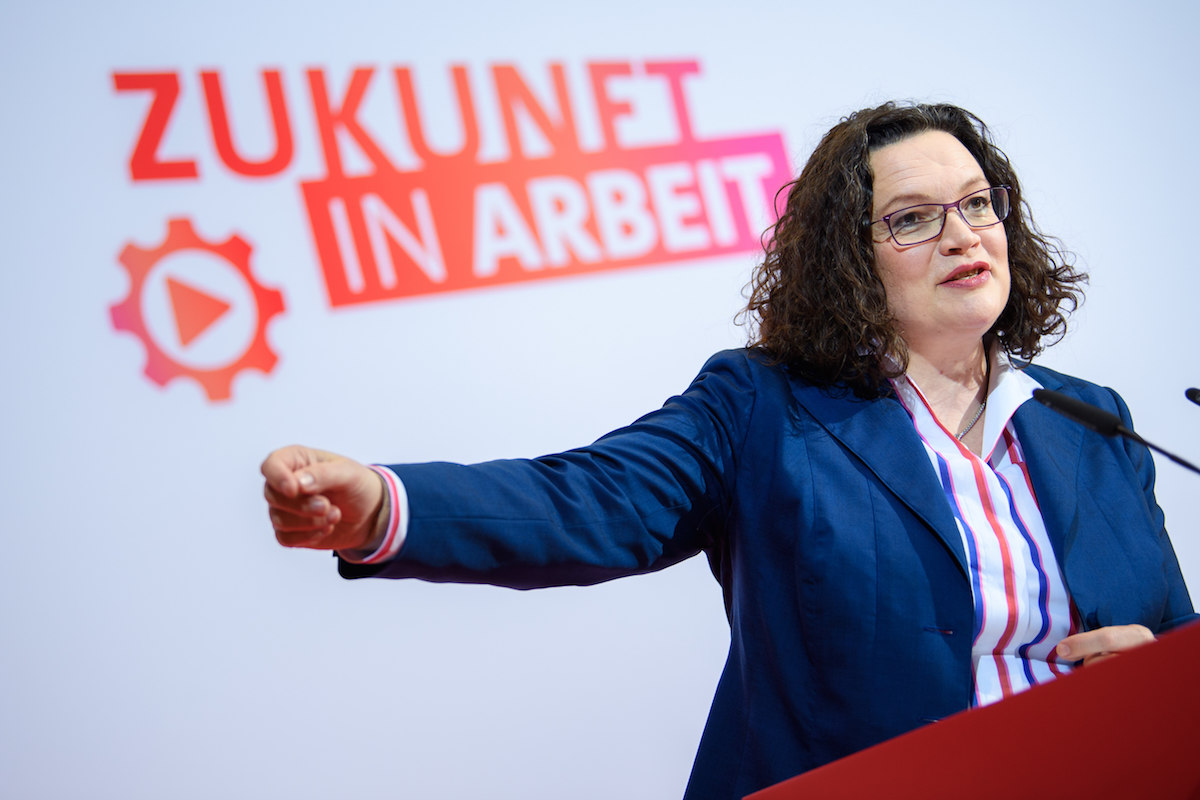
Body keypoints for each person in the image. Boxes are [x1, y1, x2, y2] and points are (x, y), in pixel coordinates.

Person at [261, 101, 1195, 799]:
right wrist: (385, 508)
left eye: (978, 204)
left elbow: (1174, 642)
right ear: (850, 257)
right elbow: (594, 502)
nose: (961, 236)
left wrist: (1152, 674)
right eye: (913, 218)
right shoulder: (766, 407)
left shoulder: (1092, 422)